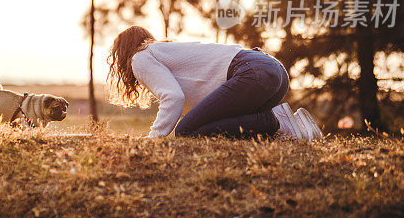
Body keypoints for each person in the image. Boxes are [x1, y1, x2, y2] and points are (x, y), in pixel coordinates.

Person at [107, 26, 323, 140]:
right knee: (198, 126)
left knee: (186, 131)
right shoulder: (166, 52)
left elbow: (172, 97)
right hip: (273, 71)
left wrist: (154, 139)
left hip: (251, 72)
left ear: (124, 51)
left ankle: (276, 121)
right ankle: (286, 124)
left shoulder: (140, 56)